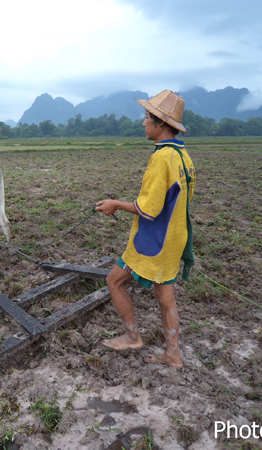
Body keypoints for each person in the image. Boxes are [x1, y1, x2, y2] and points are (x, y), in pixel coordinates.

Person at [95, 90, 195, 368]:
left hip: (154, 241)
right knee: (165, 296)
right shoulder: (182, 156)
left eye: (147, 117)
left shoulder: (161, 158)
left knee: (114, 281)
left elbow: (149, 209)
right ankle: (172, 353)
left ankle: (132, 337)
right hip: (175, 238)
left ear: (160, 123)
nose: (143, 123)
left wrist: (115, 204)